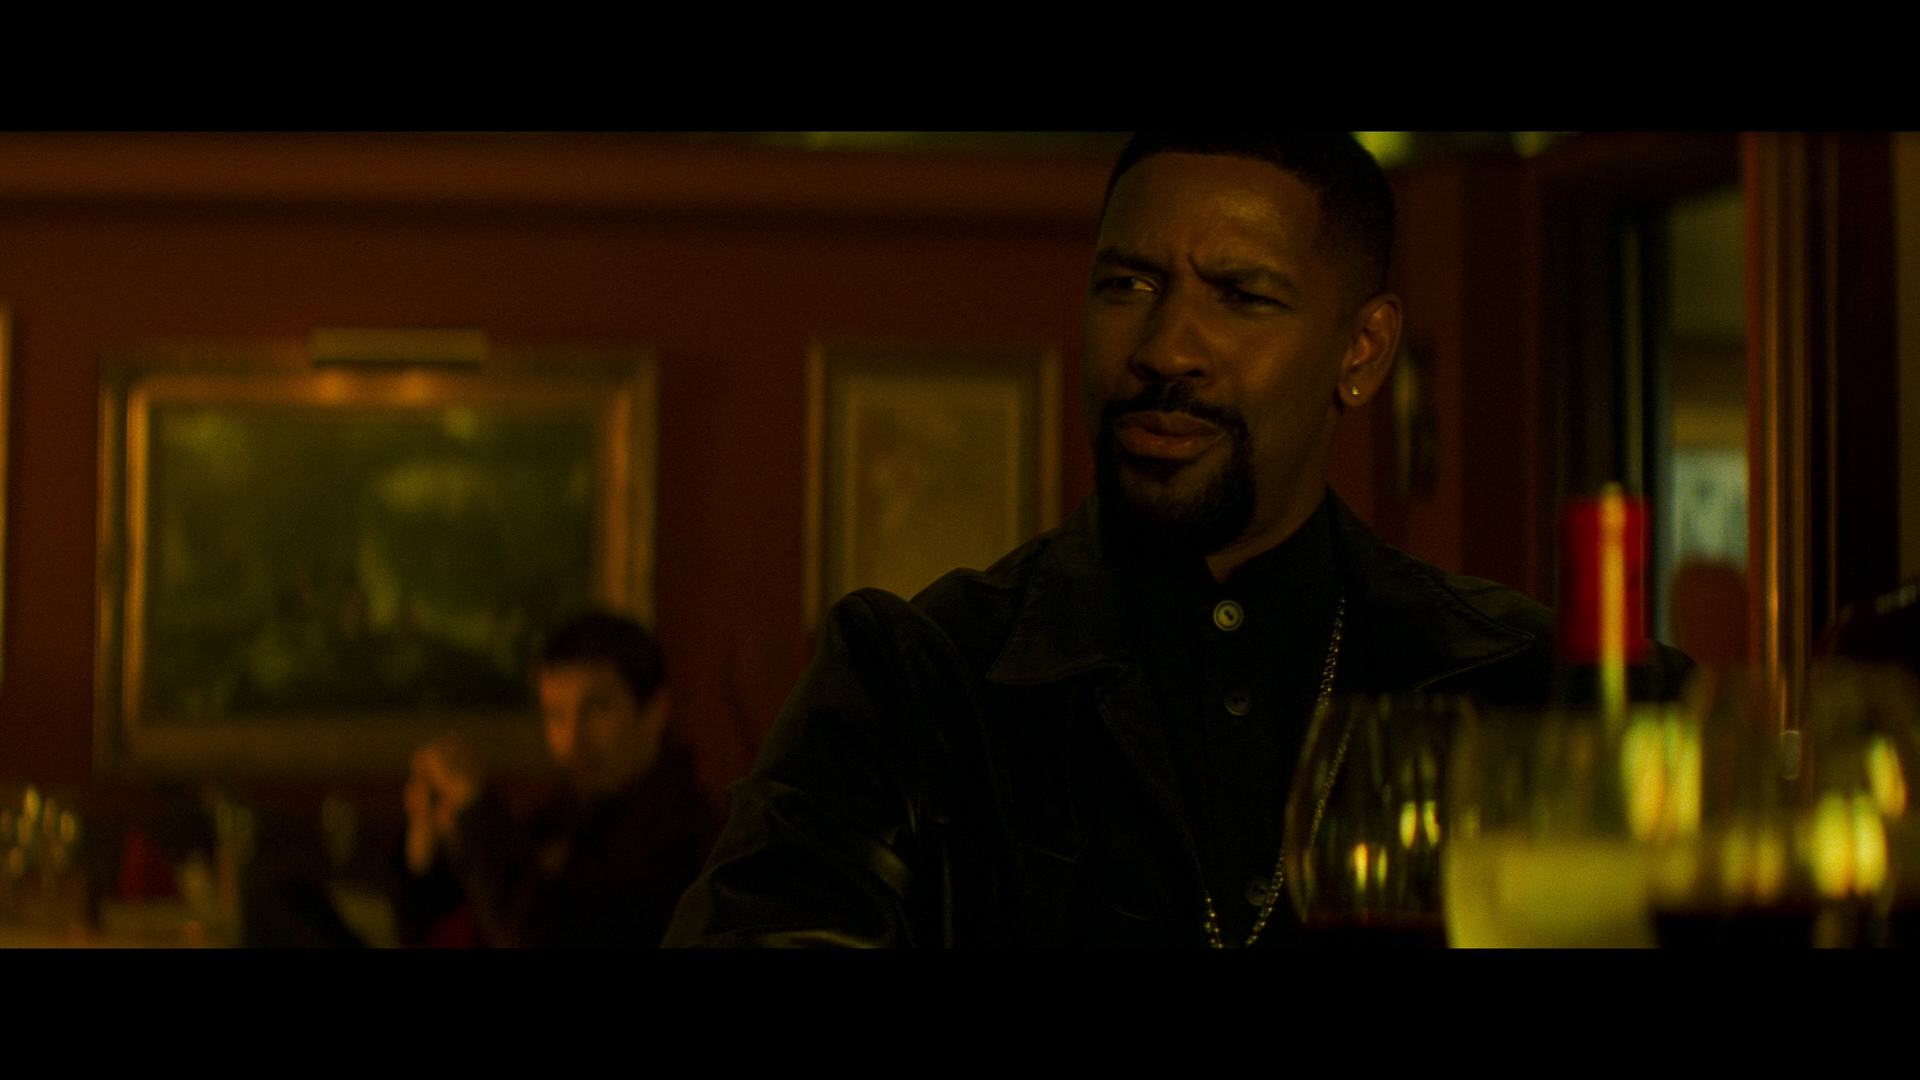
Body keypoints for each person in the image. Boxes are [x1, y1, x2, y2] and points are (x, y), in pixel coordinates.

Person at [663, 133, 1690, 948]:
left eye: (1241, 296)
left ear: (1363, 351)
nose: (1166, 349)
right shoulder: (912, 681)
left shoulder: (1523, 686)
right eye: (1129, 286)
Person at [401, 611, 717, 947]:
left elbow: (550, 936)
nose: (572, 739)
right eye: (556, 714)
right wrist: (425, 848)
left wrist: (476, 808)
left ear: (654, 710)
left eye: (597, 708)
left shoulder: (686, 836)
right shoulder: (562, 817)